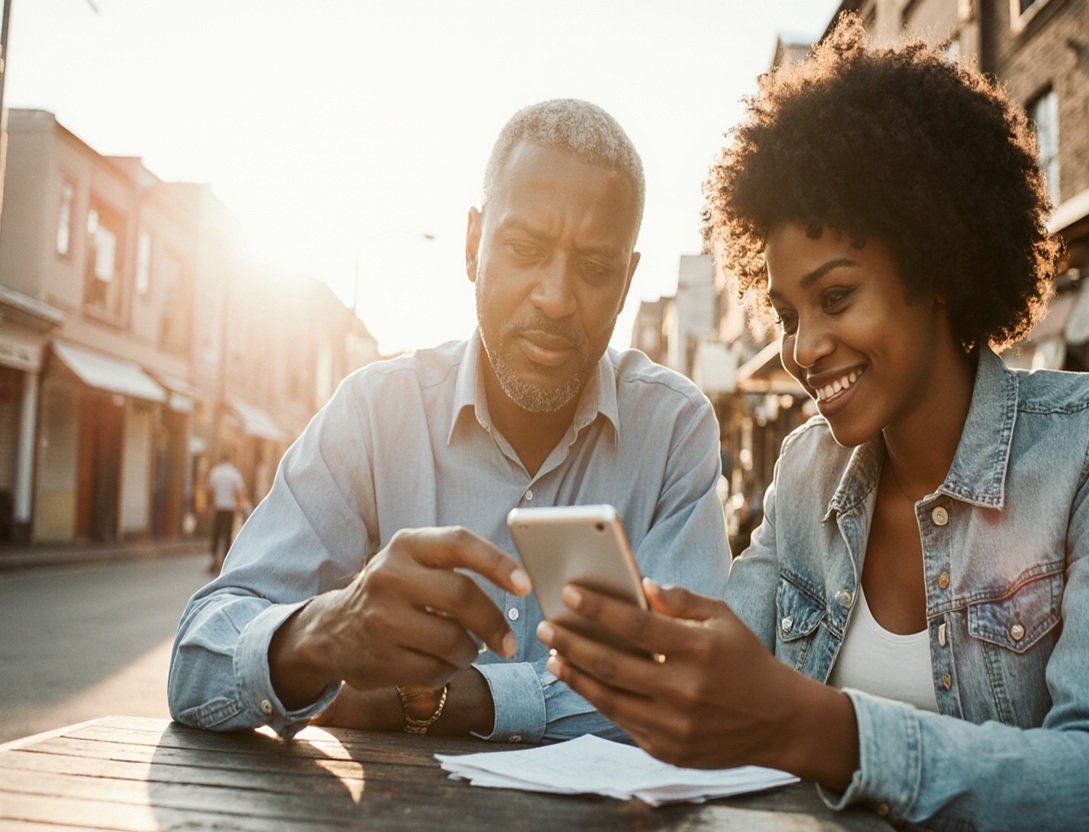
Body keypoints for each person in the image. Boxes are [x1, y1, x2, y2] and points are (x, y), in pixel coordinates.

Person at [537, 19, 1089, 831]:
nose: (804, 348)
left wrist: (821, 730)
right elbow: (726, 665)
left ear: (939, 265)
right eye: (786, 311)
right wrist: (643, 660)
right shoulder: (807, 469)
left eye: (836, 297)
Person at [168, 99, 731, 743]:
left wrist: (444, 701)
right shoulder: (376, 414)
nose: (555, 297)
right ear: (473, 246)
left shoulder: (674, 429)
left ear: (628, 281)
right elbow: (196, 664)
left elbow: (687, 681)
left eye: (596, 268)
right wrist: (323, 634)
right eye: (523, 248)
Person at [206, 452, 246, 574]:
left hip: (218, 508)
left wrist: (210, 507)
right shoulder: (234, 473)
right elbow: (239, 492)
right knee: (227, 535)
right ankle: (225, 562)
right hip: (230, 509)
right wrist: (239, 508)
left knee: (216, 535)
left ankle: (213, 559)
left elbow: (210, 490)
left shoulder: (216, 472)